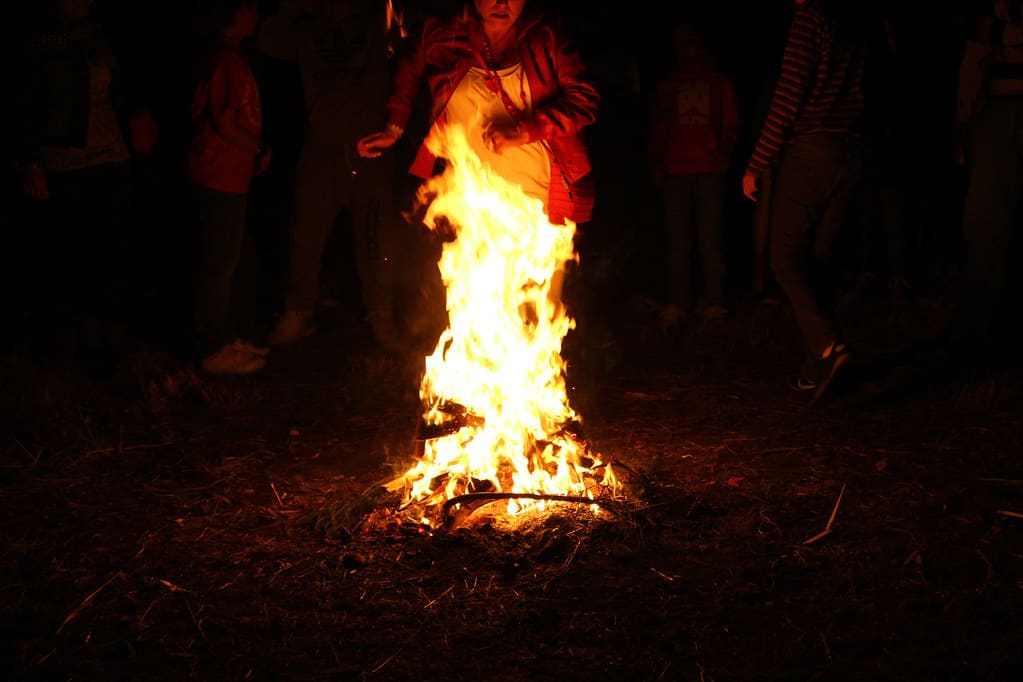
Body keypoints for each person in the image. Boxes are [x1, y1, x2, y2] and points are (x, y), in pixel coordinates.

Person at [356, 0, 599, 236]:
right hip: (473, 209)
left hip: (538, 213)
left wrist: (526, 130)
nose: (502, 3)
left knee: (538, 276)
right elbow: (407, 71)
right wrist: (394, 127)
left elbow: (584, 100)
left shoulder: (546, 39)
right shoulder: (446, 38)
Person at [742, 0, 875, 404]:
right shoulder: (857, 16)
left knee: (784, 256)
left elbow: (789, 93)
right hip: (852, 145)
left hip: (814, 147)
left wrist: (757, 162)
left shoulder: (811, 16)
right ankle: (816, 368)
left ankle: (830, 347)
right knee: (819, 260)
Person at [258, 0, 403, 350]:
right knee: (305, 234)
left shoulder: (378, 22)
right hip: (321, 149)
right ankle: (298, 312)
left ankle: (381, 315)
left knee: (375, 236)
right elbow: (267, 39)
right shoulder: (308, 29)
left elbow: (411, 40)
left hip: (372, 149)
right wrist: (296, 7)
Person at [10, 0, 152, 324]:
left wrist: (139, 114)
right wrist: (29, 160)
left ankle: (112, 330)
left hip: (112, 155)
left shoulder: (102, 37)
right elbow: (25, 101)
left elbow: (122, 86)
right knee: (71, 254)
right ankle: (72, 333)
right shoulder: (41, 40)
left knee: (114, 249)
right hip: (66, 160)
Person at [187, 0, 272, 375]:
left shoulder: (229, 57)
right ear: (238, 12)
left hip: (231, 176)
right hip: (217, 173)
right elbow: (224, 121)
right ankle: (213, 349)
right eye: (251, 8)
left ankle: (228, 336)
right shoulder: (226, 61)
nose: (257, 15)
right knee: (219, 263)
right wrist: (258, 148)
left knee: (234, 258)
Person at [647, 20, 739, 329]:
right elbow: (659, 127)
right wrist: (656, 163)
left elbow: (731, 125)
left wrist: (723, 153)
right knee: (678, 241)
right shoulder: (669, 85)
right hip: (676, 171)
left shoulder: (719, 83)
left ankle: (714, 302)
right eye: (681, 44)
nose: (687, 50)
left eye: (692, 42)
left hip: (710, 171)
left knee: (710, 240)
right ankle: (679, 302)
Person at [948, 1, 1023, 364]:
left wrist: (963, 122)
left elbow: (973, 69)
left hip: (1000, 115)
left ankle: (983, 328)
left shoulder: (993, 23)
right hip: (996, 115)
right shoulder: (995, 20)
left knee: (985, 224)